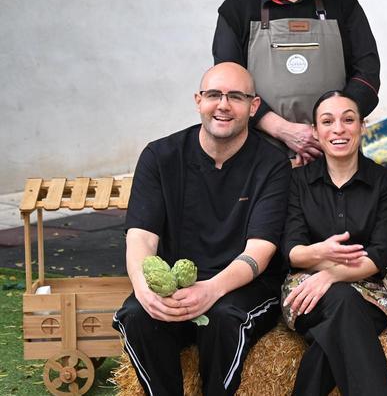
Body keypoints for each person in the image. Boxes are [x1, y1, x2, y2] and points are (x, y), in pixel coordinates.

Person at [114, 63, 290, 396]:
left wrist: (210, 290)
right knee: (136, 315)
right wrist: (143, 288)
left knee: (225, 318)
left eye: (236, 97)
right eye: (214, 95)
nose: (223, 105)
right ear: (198, 100)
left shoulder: (272, 164)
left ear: (253, 107)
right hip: (176, 285)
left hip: (242, 285)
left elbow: (260, 250)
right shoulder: (160, 156)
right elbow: (140, 236)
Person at [214, 0, 382, 164]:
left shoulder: (343, 3)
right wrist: (283, 130)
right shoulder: (237, 10)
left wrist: (329, 128)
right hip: (259, 154)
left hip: (334, 150)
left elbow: (367, 73)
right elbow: (228, 87)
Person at [282, 90, 387, 396]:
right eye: (327, 121)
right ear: (315, 131)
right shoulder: (296, 181)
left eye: (348, 120)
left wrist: (330, 273)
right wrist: (319, 253)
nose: (338, 129)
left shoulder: (384, 182)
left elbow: (379, 255)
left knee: (341, 317)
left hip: (370, 294)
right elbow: (292, 251)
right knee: (344, 305)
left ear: (362, 125)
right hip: (305, 293)